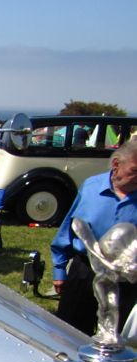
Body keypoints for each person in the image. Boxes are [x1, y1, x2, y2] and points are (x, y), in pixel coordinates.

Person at [51, 138, 137, 336]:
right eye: (135, 171)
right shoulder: (91, 187)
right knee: (69, 332)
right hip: (85, 271)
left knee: (114, 338)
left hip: (125, 279)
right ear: (116, 164)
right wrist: (59, 270)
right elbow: (68, 229)